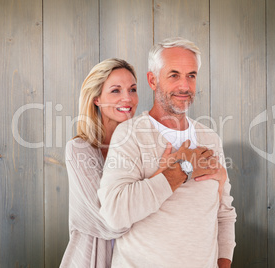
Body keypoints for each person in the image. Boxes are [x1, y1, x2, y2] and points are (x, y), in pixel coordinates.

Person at [98, 37, 237, 268]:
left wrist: (223, 264)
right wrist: (182, 170)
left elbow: (223, 214)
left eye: (191, 75)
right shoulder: (130, 134)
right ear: (152, 80)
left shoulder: (210, 138)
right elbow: (114, 215)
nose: (184, 86)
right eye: (174, 75)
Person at [60, 58, 139, 268]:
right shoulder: (79, 150)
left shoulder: (141, 147)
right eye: (116, 91)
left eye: (132, 89)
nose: (127, 98)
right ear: (96, 99)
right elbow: (109, 223)